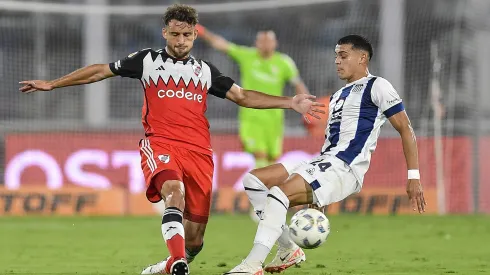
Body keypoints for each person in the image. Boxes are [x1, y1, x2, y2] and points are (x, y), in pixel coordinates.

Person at [18, 4, 325, 275]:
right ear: (165, 33)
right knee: (173, 193)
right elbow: (101, 71)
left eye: (187, 35)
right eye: (175, 34)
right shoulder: (147, 61)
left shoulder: (206, 71)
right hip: (161, 144)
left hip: (200, 155)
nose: (181, 41)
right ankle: (178, 265)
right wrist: (52, 84)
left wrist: (290, 102)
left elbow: (242, 96)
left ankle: (173, 262)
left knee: (196, 240)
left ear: (193, 36)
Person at [223, 35, 427, 275]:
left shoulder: (377, 86)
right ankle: (288, 248)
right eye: (335, 55)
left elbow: (405, 129)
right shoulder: (338, 95)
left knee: (279, 194)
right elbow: (332, 142)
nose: (337, 61)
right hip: (324, 162)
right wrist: (316, 194)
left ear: (362, 58)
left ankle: (252, 264)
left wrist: (413, 176)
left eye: (343, 55)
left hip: (344, 167)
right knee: (254, 181)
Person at [197, 25, 310, 169]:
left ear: (275, 43)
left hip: (274, 119)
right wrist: (201, 31)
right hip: (252, 117)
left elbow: (298, 84)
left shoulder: (284, 63)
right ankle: (260, 189)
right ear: (256, 43)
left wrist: (307, 105)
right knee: (260, 154)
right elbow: (221, 44)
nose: (265, 44)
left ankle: (266, 188)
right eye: (262, 41)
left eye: (268, 41)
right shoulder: (247, 55)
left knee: (272, 159)